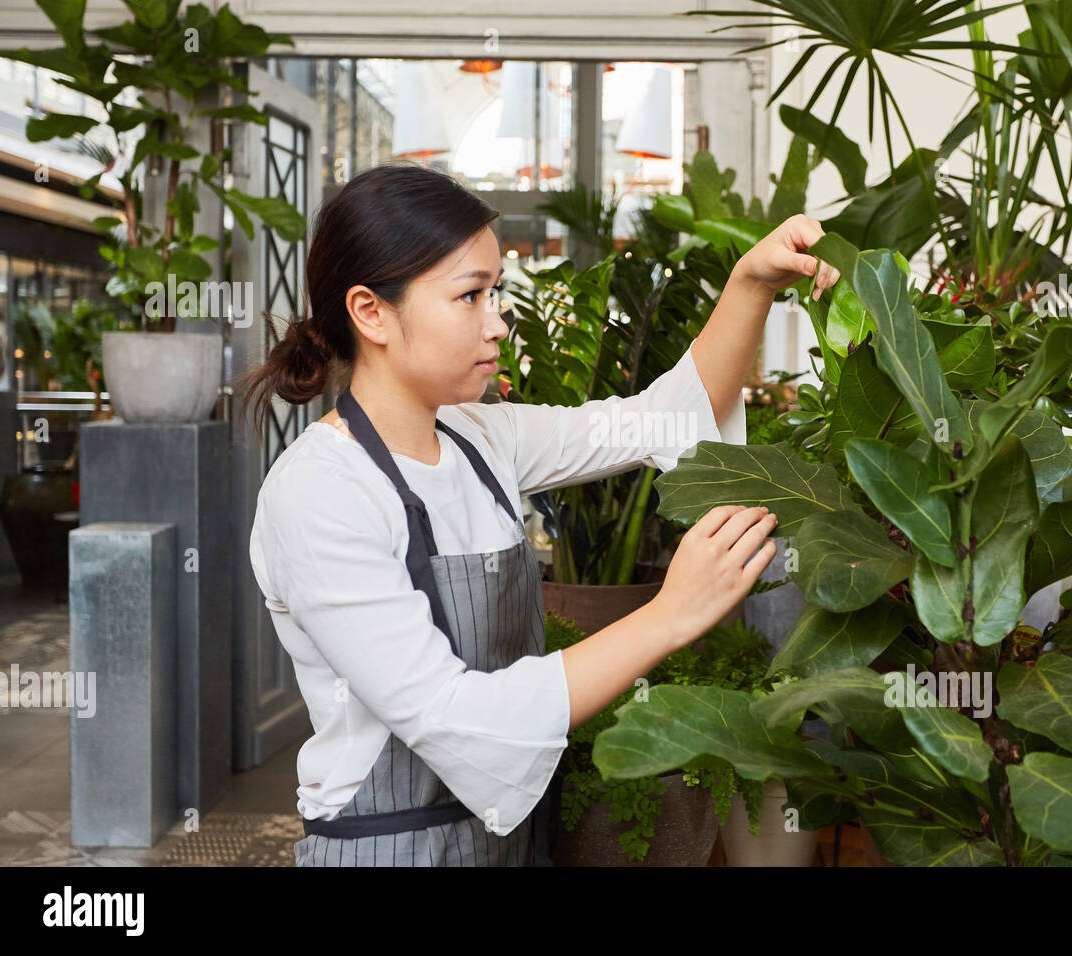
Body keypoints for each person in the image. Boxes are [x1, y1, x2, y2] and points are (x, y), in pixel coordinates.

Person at [235, 162, 839, 867]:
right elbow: (452, 717)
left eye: (495, 293)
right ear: (371, 312)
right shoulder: (320, 491)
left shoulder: (481, 436)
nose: (497, 325)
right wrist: (670, 614)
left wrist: (752, 284)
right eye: (470, 296)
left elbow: (660, 420)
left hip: (511, 842)